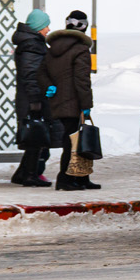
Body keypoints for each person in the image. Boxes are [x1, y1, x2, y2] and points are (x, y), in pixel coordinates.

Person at [39, 10, 100, 191]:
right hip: (74, 102)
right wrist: (86, 105)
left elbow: (40, 73)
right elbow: (82, 80)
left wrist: (50, 87)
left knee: (73, 139)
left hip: (58, 101)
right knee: (73, 141)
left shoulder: (52, 49)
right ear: (84, 26)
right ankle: (65, 179)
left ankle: (81, 178)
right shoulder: (81, 49)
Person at [11, 9, 54, 187]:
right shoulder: (32, 45)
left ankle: (22, 174)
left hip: (29, 97)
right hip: (32, 99)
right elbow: (31, 75)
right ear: (37, 27)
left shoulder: (30, 43)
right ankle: (29, 175)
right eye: (45, 26)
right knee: (36, 138)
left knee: (34, 138)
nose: (48, 29)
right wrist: (36, 100)